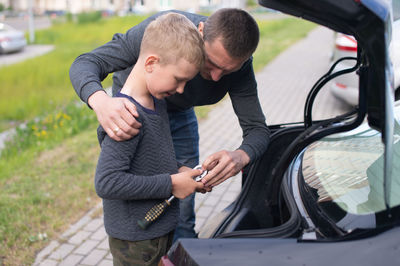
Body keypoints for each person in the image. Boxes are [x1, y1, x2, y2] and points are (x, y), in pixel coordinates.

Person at [70, 8, 270, 242]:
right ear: (201, 31)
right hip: (135, 112)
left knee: (183, 204)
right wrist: (101, 102)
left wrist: (241, 156)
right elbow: (87, 62)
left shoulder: (239, 66)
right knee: (140, 193)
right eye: (211, 63)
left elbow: (257, 129)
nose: (216, 77)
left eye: (228, 71)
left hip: (178, 113)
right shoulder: (161, 33)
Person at [93, 13, 207, 265]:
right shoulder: (127, 116)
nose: (180, 90)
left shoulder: (156, 103)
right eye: (179, 80)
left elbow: (149, 161)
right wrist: (171, 183)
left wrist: (180, 173)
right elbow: (107, 183)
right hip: (135, 242)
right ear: (151, 63)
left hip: (156, 233)